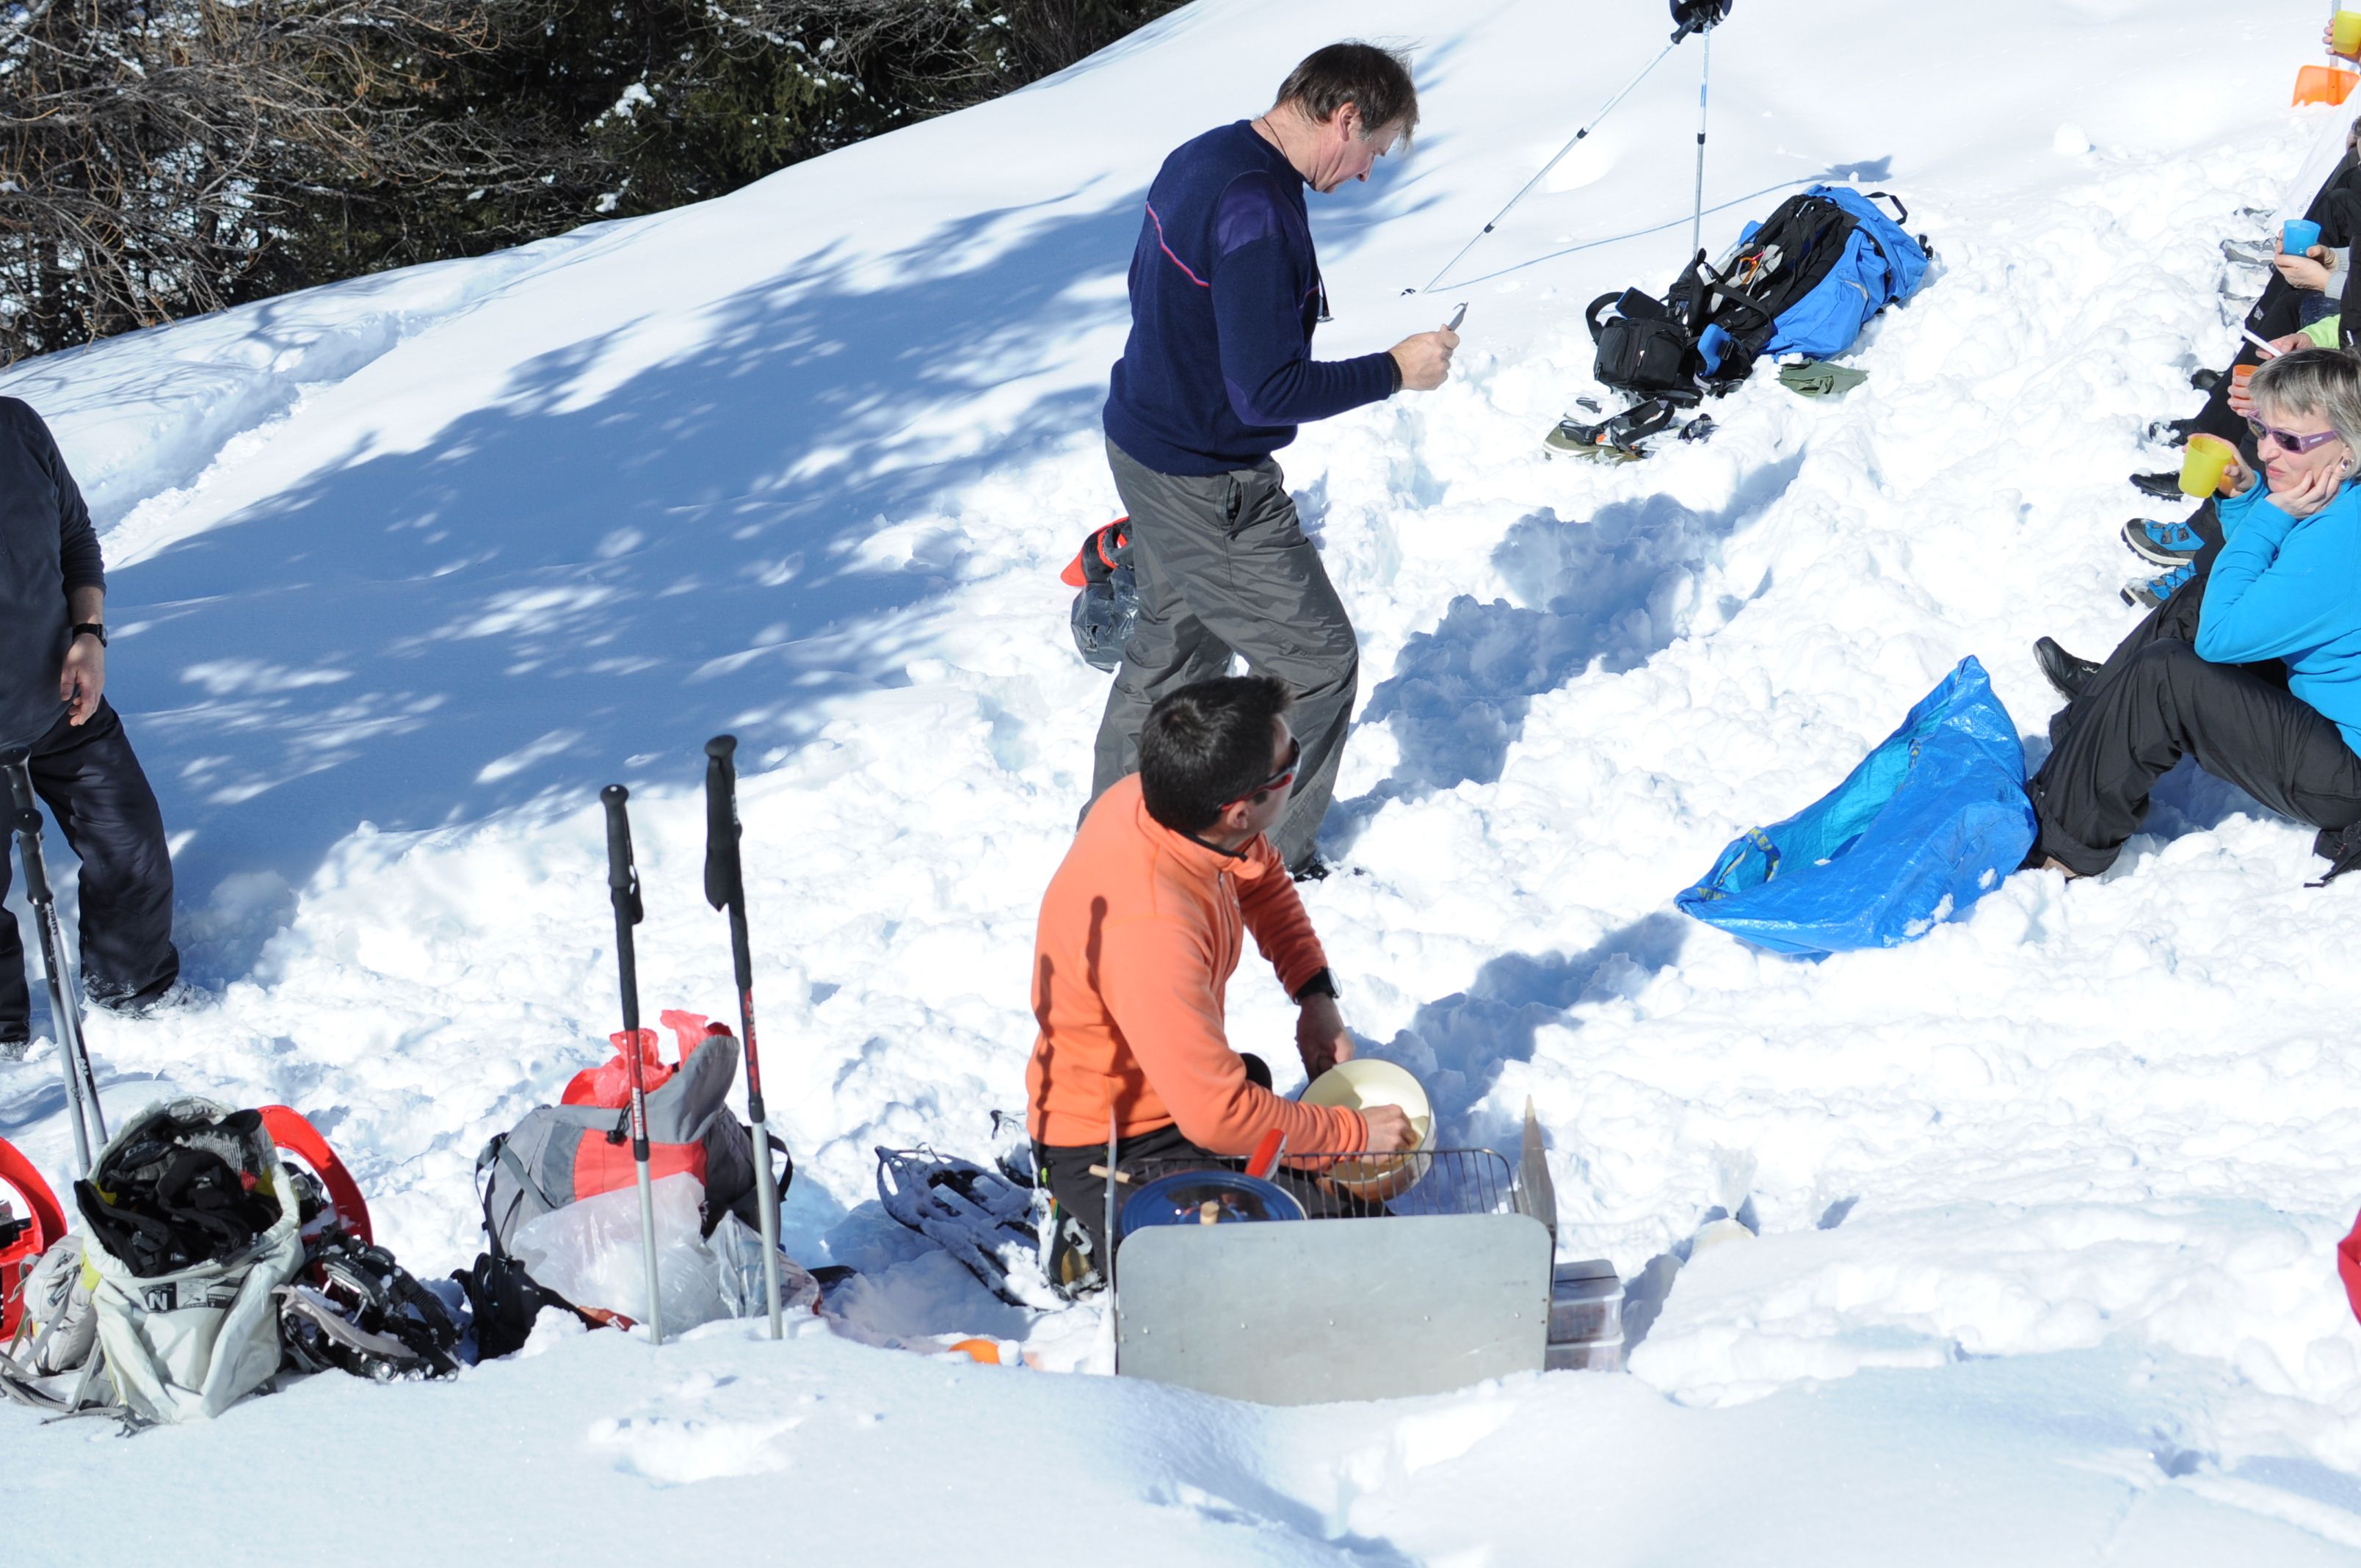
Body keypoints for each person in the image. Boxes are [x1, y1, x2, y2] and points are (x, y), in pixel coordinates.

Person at [1086, 40, 1460, 879]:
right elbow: (1266, 393)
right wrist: (1395, 371)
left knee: (1175, 649)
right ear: (1345, 117)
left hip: (1146, 441)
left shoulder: (1206, 156)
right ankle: (1255, 863)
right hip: (1206, 481)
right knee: (1318, 665)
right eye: (1373, 150)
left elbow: (1157, 294)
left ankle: (1116, 844)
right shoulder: (1256, 209)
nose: (1366, 173)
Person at [1029, 674, 1415, 1284]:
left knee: (1325, 1183)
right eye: (1291, 764)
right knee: (1358, 1255)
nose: (1296, 767)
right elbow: (1217, 1115)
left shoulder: (1159, 802)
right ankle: (1091, 1223)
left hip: (1175, 1099)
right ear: (1240, 809)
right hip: (1117, 1146)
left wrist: (1314, 994)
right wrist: (1353, 1133)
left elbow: (1261, 878)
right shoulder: (1151, 928)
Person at [2028, 348, 2361, 879]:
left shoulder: (2345, 538)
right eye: (2262, 430)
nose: (2267, 451)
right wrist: (2247, 497)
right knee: (2200, 598)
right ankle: (2081, 743)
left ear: (2347, 450)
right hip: (2328, 708)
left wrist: (2269, 514)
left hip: (2348, 775)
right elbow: (2272, 577)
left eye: (2289, 440)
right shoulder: (2341, 497)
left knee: (2168, 674)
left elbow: (2221, 637)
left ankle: (2060, 843)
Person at [0, 398, 178, 1056]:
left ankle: (134, 995)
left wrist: (89, 635)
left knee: (132, 847)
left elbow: (75, 538)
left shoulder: (16, 425)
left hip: (63, 704)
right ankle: (5, 1041)